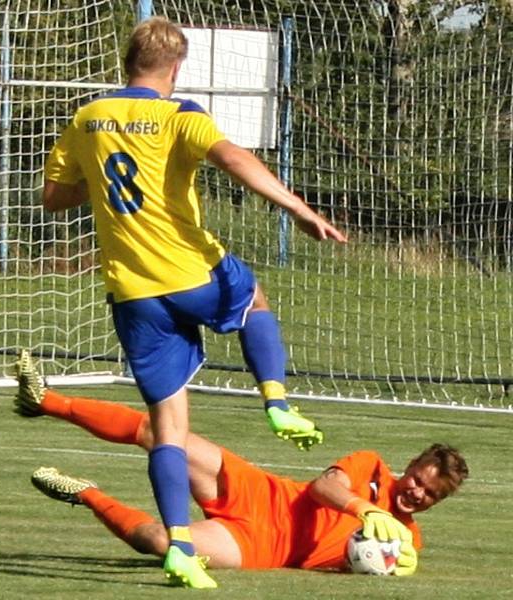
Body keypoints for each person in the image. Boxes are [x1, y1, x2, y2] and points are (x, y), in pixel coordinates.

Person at [42, 16, 348, 587]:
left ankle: (180, 547)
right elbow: (234, 159)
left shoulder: (87, 118)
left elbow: (53, 197)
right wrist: (302, 210)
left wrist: (98, 182)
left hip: (133, 293)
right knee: (254, 296)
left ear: (126, 60)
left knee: (169, 428)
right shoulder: (179, 114)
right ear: (177, 67)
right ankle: (276, 400)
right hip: (189, 272)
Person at [14, 351, 469, 584]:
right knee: (161, 432)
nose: (416, 493)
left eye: (430, 495)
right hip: (262, 492)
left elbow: (368, 565)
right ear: (410, 466)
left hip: (260, 548)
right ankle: (46, 400)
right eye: (418, 480)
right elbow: (323, 488)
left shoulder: (407, 539)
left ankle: (86, 493)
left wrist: (391, 569)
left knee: (160, 541)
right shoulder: (370, 468)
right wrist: (369, 511)